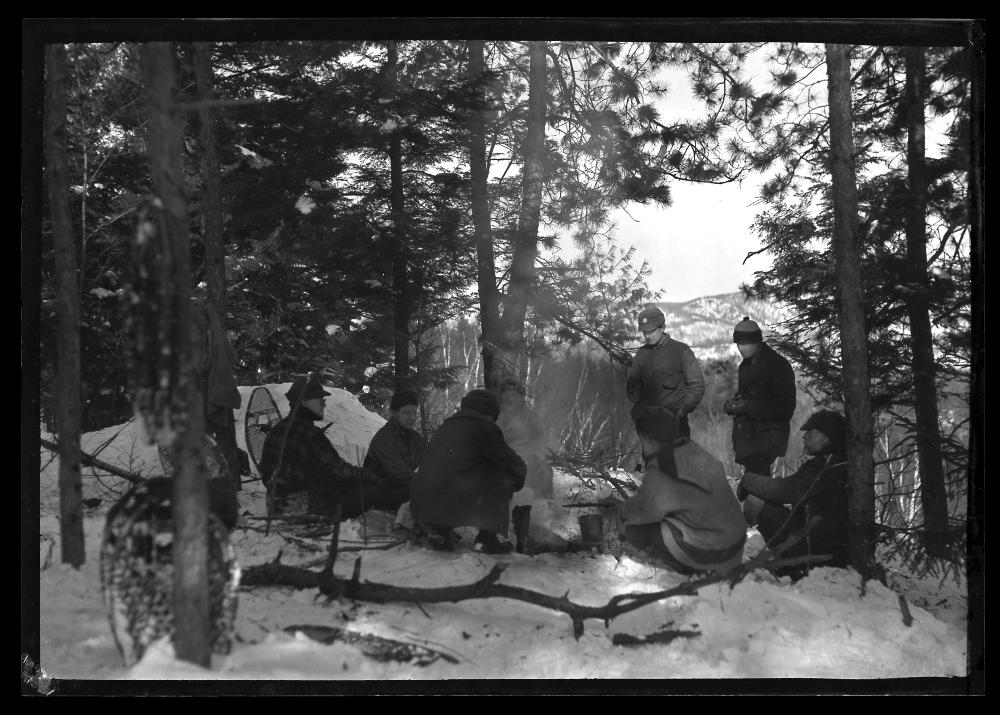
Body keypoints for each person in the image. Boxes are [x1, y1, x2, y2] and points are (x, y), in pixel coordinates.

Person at [616, 407, 746, 574]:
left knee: (633, 530)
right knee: (671, 517)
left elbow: (642, 511)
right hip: (735, 546)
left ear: (647, 438)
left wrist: (622, 513)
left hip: (714, 554)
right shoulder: (693, 450)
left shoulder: (664, 468)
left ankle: (690, 569)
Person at [410, 389, 527, 554]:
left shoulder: (447, 425)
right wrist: (518, 481)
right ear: (490, 413)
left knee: (456, 475)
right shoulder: (483, 427)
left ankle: (439, 531)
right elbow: (511, 462)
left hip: (421, 502)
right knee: (501, 474)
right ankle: (487, 539)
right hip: (445, 498)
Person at [738, 409, 850, 578]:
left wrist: (748, 480)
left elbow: (783, 490)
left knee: (758, 503)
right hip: (830, 546)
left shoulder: (825, 467)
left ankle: (794, 566)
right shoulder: (840, 462)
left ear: (826, 437)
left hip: (818, 549)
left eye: (810, 432)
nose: (804, 436)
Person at [259, 374, 381, 518]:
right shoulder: (309, 433)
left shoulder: (278, 429)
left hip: (275, 505)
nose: (324, 404)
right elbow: (338, 471)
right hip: (304, 508)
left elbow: (265, 472)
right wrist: (369, 475)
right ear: (304, 402)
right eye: (319, 400)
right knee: (371, 490)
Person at [723, 316, 797, 524]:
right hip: (749, 436)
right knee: (756, 483)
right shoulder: (745, 365)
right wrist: (733, 404)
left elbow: (785, 407)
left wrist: (747, 406)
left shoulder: (778, 366)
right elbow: (746, 395)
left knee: (758, 485)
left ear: (757, 341)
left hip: (766, 438)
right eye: (738, 343)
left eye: (745, 343)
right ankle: (763, 522)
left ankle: (759, 524)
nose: (741, 348)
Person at [627, 305, 705, 445]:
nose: (647, 335)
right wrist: (639, 412)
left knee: (677, 459)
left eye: (651, 331)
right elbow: (632, 387)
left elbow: (697, 386)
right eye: (645, 332)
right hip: (649, 429)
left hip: (676, 428)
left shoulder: (681, 351)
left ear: (662, 328)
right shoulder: (641, 354)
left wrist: (682, 411)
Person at [363, 389, 426, 511]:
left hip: (402, 488)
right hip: (381, 492)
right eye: (406, 413)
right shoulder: (384, 439)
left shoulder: (415, 438)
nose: (412, 417)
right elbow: (398, 473)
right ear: (394, 413)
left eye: (415, 412)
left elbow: (429, 460)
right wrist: (425, 482)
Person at [496, 378, 553, 500]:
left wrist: (535, 456)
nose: (510, 398)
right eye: (506, 395)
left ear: (521, 397)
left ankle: (544, 504)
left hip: (524, 459)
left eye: (514, 395)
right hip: (498, 460)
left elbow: (539, 439)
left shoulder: (530, 417)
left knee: (546, 471)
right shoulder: (494, 415)